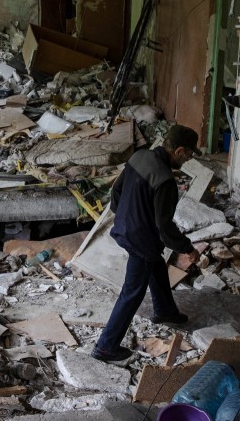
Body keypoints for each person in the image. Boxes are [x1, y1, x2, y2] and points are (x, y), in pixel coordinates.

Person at [92, 124, 202, 363]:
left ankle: (165, 311)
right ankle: (106, 346)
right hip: (140, 240)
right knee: (132, 292)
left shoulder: (140, 156)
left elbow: (117, 191)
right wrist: (188, 248)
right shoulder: (165, 181)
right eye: (189, 155)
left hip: (127, 230)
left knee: (156, 264)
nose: (188, 160)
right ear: (179, 150)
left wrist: (125, 217)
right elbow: (165, 228)